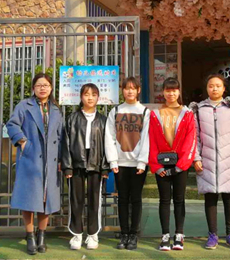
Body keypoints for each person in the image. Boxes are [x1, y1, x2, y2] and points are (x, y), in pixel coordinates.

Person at [6, 73, 63, 256]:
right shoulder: (24, 106)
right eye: (39, 85)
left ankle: (42, 235)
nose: (42, 88)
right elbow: (12, 124)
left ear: (51, 88)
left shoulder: (56, 110)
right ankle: (30, 235)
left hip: (50, 161)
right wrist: (23, 142)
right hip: (31, 159)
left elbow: (61, 136)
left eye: (46, 85)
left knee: (46, 199)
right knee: (29, 199)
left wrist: (60, 159)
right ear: (33, 88)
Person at [191, 74, 230, 250]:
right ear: (206, 88)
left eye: (218, 86)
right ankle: (212, 235)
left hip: (229, 161)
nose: (214, 88)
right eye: (211, 86)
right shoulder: (199, 110)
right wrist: (196, 158)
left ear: (224, 88)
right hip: (206, 161)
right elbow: (194, 137)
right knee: (210, 199)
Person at [148, 78, 197, 251]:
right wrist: (156, 166)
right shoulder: (155, 114)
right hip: (161, 165)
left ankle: (179, 235)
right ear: (163, 92)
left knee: (179, 200)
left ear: (179, 91)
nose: (171, 93)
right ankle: (165, 236)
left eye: (174, 90)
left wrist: (181, 165)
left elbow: (191, 140)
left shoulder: (187, 113)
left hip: (180, 165)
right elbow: (151, 140)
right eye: (168, 90)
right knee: (164, 200)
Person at [61, 83, 110, 250]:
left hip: (96, 162)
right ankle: (76, 234)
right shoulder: (72, 118)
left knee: (95, 199)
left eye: (93, 95)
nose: (90, 98)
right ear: (81, 97)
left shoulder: (103, 120)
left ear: (98, 98)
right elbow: (66, 143)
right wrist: (67, 167)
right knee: (76, 200)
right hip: (76, 163)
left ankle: (93, 235)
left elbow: (107, 145)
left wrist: (105, 167)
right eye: (87, 94)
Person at [105, 77, 150, 250]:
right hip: (120, 163)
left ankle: (133, 234)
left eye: (133, 88)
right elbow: (109, 136)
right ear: (122, 90)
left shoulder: (145, 112)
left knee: (136, 199)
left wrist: (142, 162)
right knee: (122, 199)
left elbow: (146, 138)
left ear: (138, 90)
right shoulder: (115, 111)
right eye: (126, 88)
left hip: (138, 164)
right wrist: (113, 160)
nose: (130, 91)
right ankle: (124, 233)